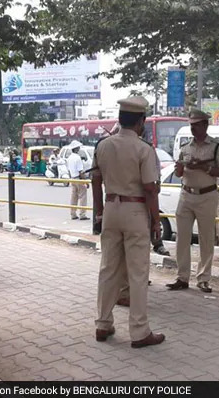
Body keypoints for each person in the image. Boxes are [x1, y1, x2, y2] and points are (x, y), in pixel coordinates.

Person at [93, 95, 165, 348]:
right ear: (141, 122)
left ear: (121, 119)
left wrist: (99, 212)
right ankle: (139, 331)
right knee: (137, 272)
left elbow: (95, 180)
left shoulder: (103, 145)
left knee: (108, 269)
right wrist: (156, 220)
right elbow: (150, 189)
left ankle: (103, 323)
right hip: (135, 211)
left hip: (111, 208)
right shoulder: (144, 149)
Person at [166, 109, 219, 294]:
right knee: (182, 238)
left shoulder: (217, 146)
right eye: (191, 125)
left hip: (207, 195)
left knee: (206, 238)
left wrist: (202, 166)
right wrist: (180, 168)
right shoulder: (186, 147)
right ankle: (182, 277)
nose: (193, 129)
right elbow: (179, 173)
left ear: (205, 125)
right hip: (186, 195)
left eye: (196, 125)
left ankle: (203, 278)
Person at [67, 140, 89, 220]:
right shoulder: (77, 158)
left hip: (72, 178)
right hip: (78, 179)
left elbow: (69, 170)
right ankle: (82, 214)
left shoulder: (69, 158)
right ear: (76, 149)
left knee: (74, 197)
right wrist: (86, 182)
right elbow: (80, 172)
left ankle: (73, 213)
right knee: (83, 196)